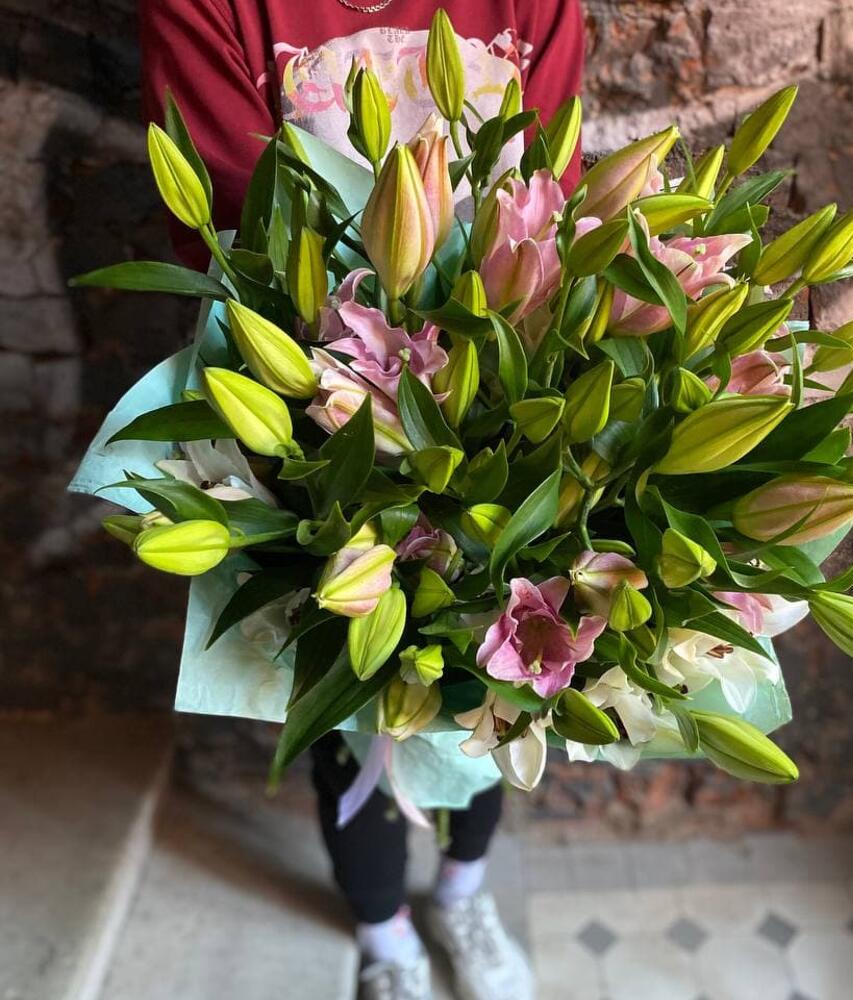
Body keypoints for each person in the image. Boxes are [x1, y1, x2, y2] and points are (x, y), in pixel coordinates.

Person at [138, 2, 585, 998]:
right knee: (351, 710)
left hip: (504, 376)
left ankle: (462, 892)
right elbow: (239, 222)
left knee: (497, 686)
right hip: (311, 384)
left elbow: (555, 188)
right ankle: (385, 937)